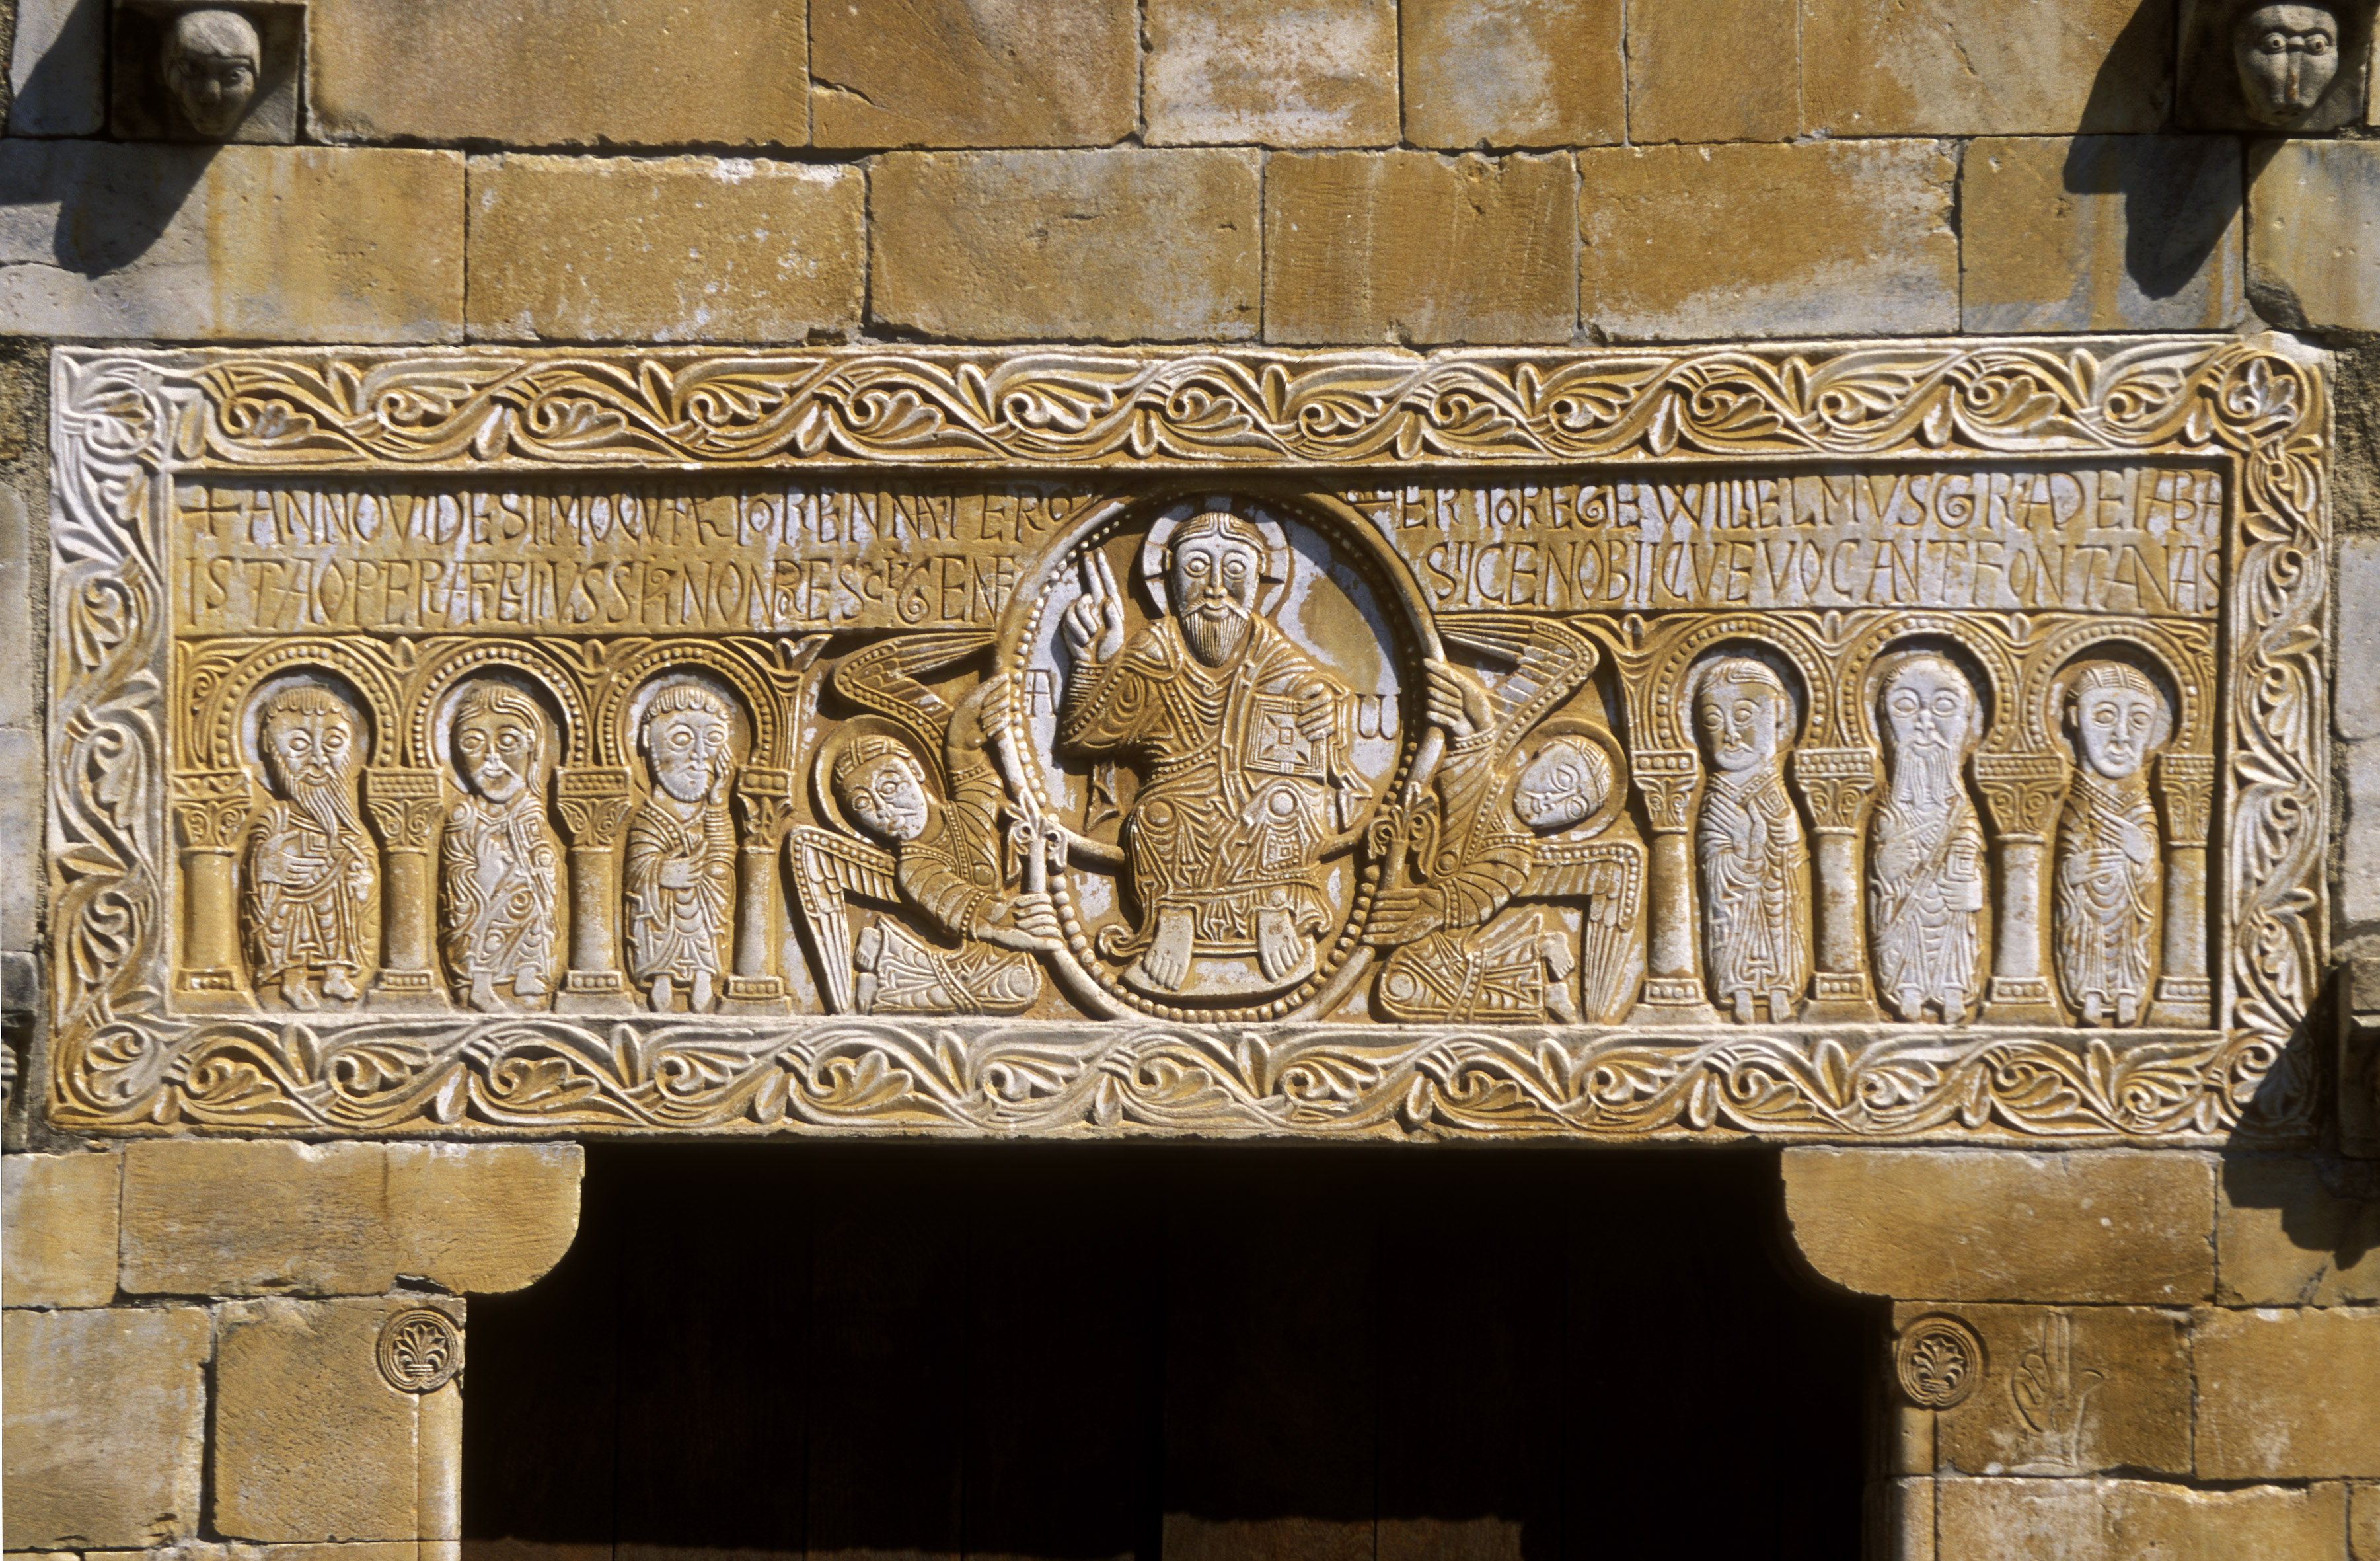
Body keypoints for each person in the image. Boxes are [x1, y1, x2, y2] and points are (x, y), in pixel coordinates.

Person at [1057, 512, 1356, 992]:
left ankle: (1273, 910)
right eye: (1197, 569)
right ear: (1171, 579)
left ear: (1260, 580)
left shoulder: (1272, 651)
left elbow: (1314, 691)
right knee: (1157, 816)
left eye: (1235, 570)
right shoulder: (1157, 648)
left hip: (1259, 806)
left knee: (1289, 804)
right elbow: (1081, 737)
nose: (1216, 587)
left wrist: (1326, 710)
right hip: (1178, 803)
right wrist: (1089, 658)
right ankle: (1173, 920)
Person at [244, 685, 373, 1009]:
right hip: (290, 895)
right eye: (299, 745)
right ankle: (293, 981)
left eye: (332, 744)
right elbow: (259, 855)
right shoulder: (278, 814)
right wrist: (268, 865)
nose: (318, 760)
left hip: (333, 890)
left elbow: (360, 855)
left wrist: (359, 874)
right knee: (293, 930)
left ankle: (335, 975)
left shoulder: (343, 819)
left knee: (338, 921)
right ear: (272, 753)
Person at [441, 683, 560, 1012]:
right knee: (489, 912)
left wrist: (535, 872)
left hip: (526, 907)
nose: (492, 758)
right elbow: (456, 886)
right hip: (482, 907)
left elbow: (546, 874)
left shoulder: (532, 811)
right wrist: (485, 875)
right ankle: (479, 984)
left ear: (532, 748)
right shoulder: (465, 815)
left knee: (534, 903)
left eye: (508, 742)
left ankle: (528, 973)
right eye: (473, 743)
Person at [625, 685, 737, 1012]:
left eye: (713, 740)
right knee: (658, 936)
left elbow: (723, 862)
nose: (700, 754)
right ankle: (661, 981)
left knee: (703, 942)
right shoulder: (650, 817)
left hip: (702, 916)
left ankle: (703, 980)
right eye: (681, 740)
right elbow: (636, 870)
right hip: (660, 920)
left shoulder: (712, 813)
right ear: (648, 741)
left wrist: (718, 801)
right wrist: (659, 872)